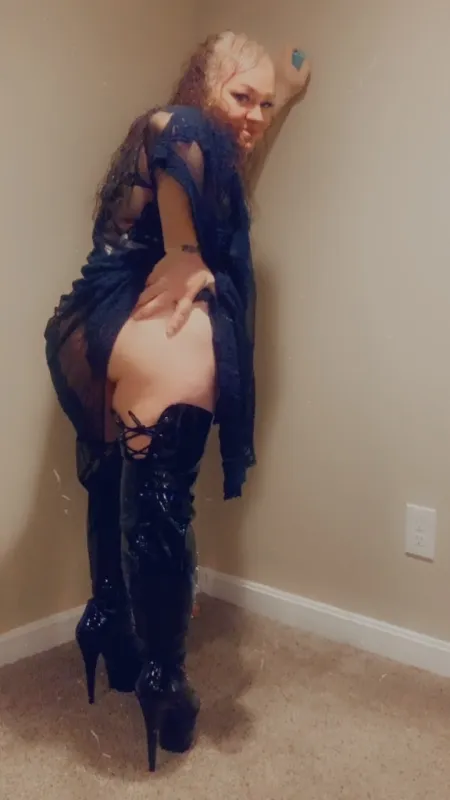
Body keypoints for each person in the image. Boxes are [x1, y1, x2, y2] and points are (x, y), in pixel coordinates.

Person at [44, 31, 310, 772]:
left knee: (115, 480)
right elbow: (174, 134)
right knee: (163, 498)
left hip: (89, 329)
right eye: (241, 96)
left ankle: (108, 621)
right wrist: (187, 251)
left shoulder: (217, 137)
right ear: (203, 86)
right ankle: (163, 679)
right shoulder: (185, 124)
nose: (254, 115)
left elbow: (221, 134)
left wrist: (285, 91)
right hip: (134, 316)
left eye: (263, 104)